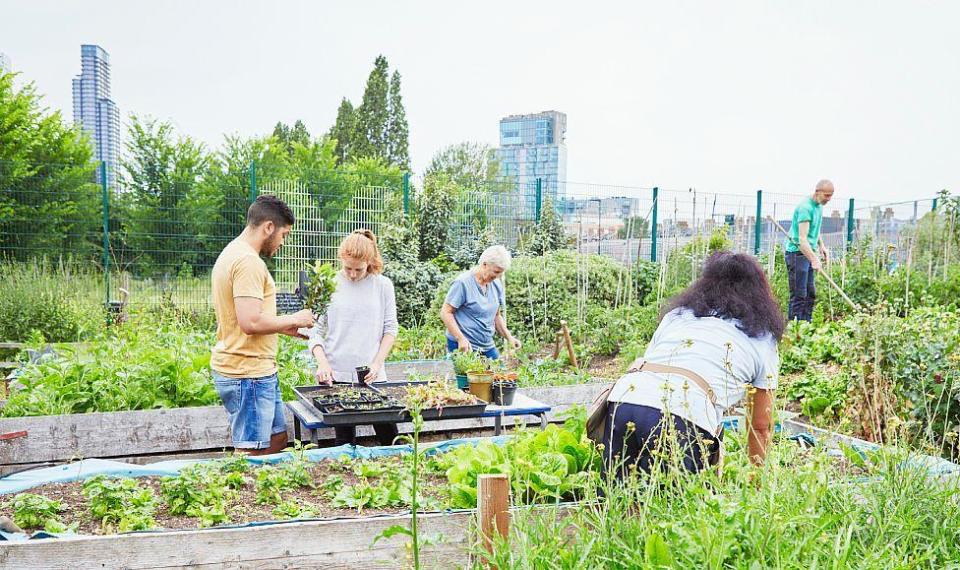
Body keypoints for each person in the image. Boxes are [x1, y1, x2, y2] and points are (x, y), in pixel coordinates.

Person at [603, 252, 784, 476]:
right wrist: (758, 483)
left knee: (621, 500)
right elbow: (760, 427)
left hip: (625, 400)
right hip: (683, 413)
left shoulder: (678, 316)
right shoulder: (761, 338)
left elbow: (649, 366)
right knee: (679, 505)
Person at [211, 195, 315, 456]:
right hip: (247, 374)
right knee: (252, 452)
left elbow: (245, 318)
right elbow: (250, 321)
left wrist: (281, 327)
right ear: (269, 227)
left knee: (277, 439)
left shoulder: (233, 253)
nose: (282, 242)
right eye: (284, 234)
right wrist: (295, 318)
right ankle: (235, 496)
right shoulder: (248, 262)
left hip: (256, 371)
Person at [308, 229, 399, 446]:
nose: (352, 274)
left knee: (392, 441)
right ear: (341, 259)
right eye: (348, 268)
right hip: (336, 377)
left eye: (358, 269)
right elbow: (314, 330)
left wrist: (377, 363)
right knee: (344, 446)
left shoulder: (382, 285)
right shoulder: (327, 284)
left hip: (373, 378)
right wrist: (322, 363)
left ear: (369, 261)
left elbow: (390, 329)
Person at [440, 245, 521, 360]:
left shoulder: (496, 285)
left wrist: (510, 338)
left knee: (499, 375)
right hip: (464, 345)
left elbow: (496, 316)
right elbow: (445, 312)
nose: (498, 276)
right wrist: (460, 339)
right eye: (496, 271)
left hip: (486, 345)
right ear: (484, 264)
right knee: (465, 376)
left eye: (501, 273)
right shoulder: (463, 283)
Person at [785, 179, 835, 321]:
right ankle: (795, 330)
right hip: (797, 253)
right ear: (817, 192)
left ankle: (807, 326)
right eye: (826, 195)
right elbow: (802, 240)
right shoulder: (805, 208)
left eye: (831, 196)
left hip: (809, 253)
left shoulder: (819, 206)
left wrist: (821, 246)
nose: (829, 199)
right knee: (799, 294)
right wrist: (814, 259)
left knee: (810, 293)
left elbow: (814, 229)